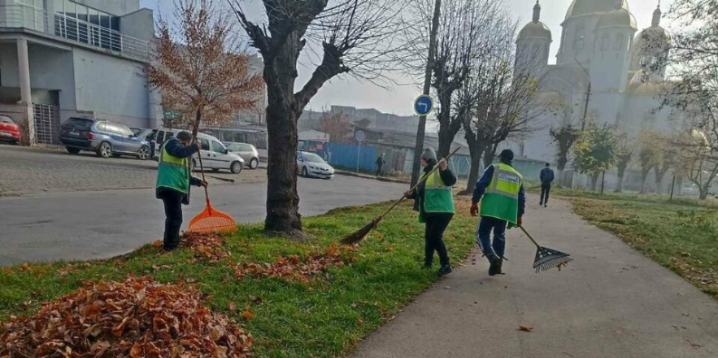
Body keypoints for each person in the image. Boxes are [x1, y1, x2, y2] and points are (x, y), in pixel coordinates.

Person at [470, 149, 526, 276]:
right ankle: (497, 266)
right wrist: (519, 215)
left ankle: (491, 255)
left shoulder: (494, 168)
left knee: (482, 234)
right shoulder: (518, 176)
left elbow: (480, 185)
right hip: (505, 212)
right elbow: (521, 198)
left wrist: (474, 202)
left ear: (500, 157)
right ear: (512, 160)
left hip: (490, 208)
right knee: (499, 236)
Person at [404, 148, 457, 276]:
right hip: (430, 211)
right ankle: (428, 263)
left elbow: (451, 181)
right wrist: (410, 195)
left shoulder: (439, 169)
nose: (421, 163)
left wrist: (444, 168)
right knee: (429, 237)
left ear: (425, 160)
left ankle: (446, 264)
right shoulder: (424, 175)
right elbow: (419, 192)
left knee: (435, 236)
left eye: (422, 160)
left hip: (443, 210)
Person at [156, 131, 207, 252]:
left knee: (173, 218)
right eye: (189, 144)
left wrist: (199, 182)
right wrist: (195, 147)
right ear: (186, 141)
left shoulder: (178, 150)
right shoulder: (172, 143)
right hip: (170, 186)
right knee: (175, 219)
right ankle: (171, 247)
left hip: (173, 187)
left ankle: (170, 244)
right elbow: (180, 153)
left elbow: (184, 175)